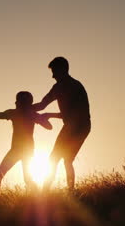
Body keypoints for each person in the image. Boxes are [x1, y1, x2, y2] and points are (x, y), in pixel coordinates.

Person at [0, 91, 60, 196]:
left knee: (0, 175)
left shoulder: (16, 113)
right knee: (24, 179)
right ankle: (39, 197)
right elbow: (49, 126)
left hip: (19, 150)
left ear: (22, 102)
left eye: (17, 100)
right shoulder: (28, 114)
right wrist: (44, 116)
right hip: (25, 150)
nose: (15, 102)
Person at [33, 57, 91, 192]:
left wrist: (48, 114)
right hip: (77, 126)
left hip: (78, 126)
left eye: (54, 72)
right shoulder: (63, 86)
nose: (52, 76)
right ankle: (68, 191)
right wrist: (27, 109)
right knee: (65, 160)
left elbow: (75, 114)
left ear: (62, 70)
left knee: (57, 159)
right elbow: (42, 105)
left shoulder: (70, 86)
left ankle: (46, 192)